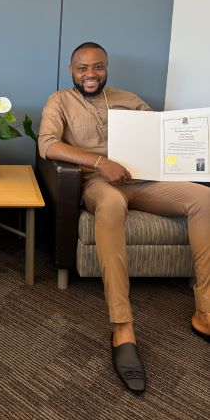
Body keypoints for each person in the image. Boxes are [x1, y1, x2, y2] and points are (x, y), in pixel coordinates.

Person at [38, 42, 210, 393]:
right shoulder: (59, 101)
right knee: (113, 206)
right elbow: (48, 145)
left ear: (106, 68)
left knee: (204, 199)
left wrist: (189, 142)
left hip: (144, 181)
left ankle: (205, 310)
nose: (90, 74)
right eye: (82, 68)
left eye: (97, 67)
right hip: (98, 183)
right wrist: (101, 162)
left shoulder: (130, 100)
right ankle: (122, 326)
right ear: (71, 70)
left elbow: (162, 136)